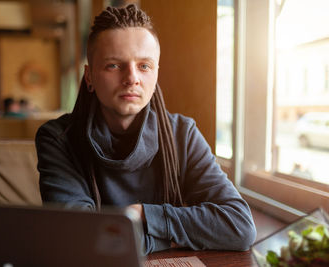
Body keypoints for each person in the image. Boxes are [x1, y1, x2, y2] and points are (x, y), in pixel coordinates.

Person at [35, 4, 256, 254]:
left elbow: (239, 226)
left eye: (144, 66)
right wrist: (169, 237)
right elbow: (79, 240)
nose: (132, 78)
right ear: (89, 77)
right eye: (114, 65)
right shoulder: (57, 138)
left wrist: (143, 214)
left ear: (156, 74)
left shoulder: (182, 133)